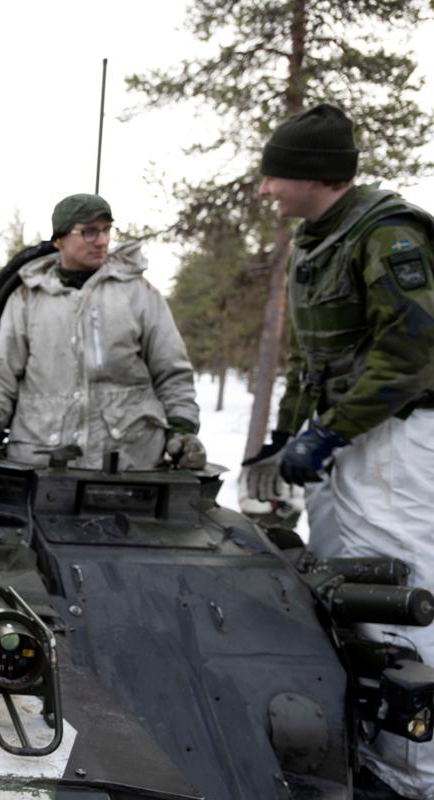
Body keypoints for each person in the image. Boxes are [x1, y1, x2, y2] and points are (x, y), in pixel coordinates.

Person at [244, 102, 434, 798]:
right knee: (339, 585)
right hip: (346, 440)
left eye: (275, 175)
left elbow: (412, 353)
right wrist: (292, 431)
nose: (266, 189)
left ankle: (415, 772)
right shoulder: (319, 238)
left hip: (396, 442)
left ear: (313, 176)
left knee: (405, 588)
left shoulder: (387, 236)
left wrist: (328, 431)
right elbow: (315, 358)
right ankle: (363, 746)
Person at [0, 194, 205, 471]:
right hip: (40, 466)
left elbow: (172, 373)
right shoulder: (27, 299)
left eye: (106, 230)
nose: (102, 240)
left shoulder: (139, 294)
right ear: (60, 240)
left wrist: (181, 430)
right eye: (89, 232)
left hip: (129, 467)